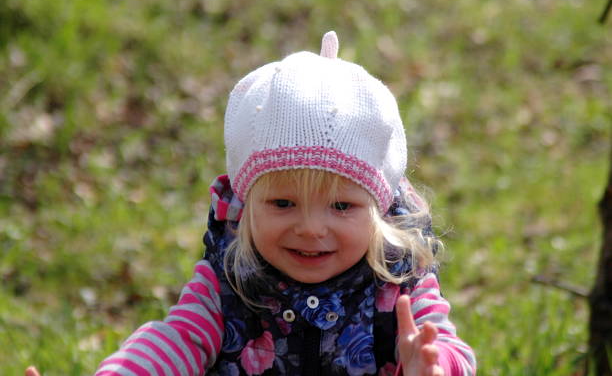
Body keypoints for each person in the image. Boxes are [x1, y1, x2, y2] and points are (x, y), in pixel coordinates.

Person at [27, 31, 476, 376]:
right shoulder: (229, 282)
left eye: (341, 207)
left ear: (379, 211)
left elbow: (450, 350)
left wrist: (434, 365)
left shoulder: (397, 286)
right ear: (246, 203)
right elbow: (175, 340)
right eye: (282, 203)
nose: (311, 228)